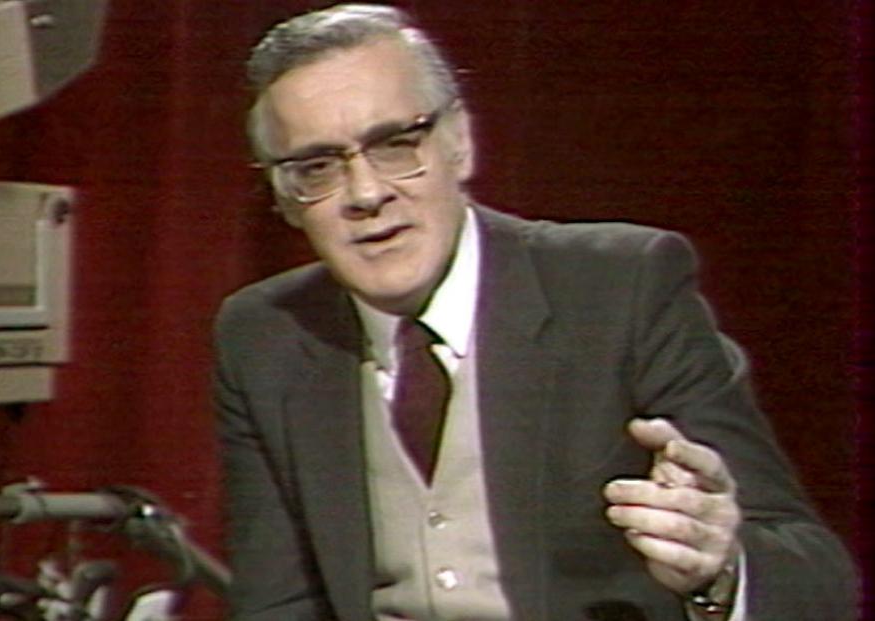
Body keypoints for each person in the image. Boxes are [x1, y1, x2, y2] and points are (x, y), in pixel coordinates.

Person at [212, 4, 857, 620]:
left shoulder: (620, 290)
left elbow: (816, 576)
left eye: (396, 144)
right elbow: (277, 605)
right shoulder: (264, 337)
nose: (367, 192)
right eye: (317, 167)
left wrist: (720, 568)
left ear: (460, 141)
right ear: (284, 196)